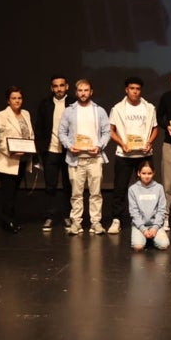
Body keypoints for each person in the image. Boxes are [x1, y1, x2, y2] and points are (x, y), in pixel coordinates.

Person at [58, 78, 112, 235]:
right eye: (80, 90)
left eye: (86, 90)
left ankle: (96, 222)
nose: (83, 93)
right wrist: (69, 146)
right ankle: (76, 222)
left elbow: (107, 132)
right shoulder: (69, 111)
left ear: (91, 92)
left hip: (94, 158)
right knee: (76, 193)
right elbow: (62, 132)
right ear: (76, 92)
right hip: (76, 159)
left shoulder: (99, 110)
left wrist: (99, 146)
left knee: (96, 193)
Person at [107, 76, 158, 235]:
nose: (135, 91)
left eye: (137, 89)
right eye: (132, 88)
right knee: (120, 188)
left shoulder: (149, 107)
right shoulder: (117, 108)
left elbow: (155, 128)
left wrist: (149, 142)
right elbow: (111, 130)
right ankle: (117, 219)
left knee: (147, 188)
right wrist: (122, 143)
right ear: (126, 90)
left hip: (144, 154)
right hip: (125, 154)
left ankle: (147, 219)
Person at [0, 86, 34, 233]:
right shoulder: (1, 115)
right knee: (7, 193)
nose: (17, 101)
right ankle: (7, 222)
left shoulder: (26, 114)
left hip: (22, 159)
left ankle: (10, 220)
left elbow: (30, 135)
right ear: (8, 101)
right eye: (14, 98)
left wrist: (29, 148)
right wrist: (12, 151)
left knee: (14, 192)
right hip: (7, 160)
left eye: (19, 98)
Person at [34, 74, 73, 232]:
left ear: (67, 87)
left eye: (61, 85)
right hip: (50, 151)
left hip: (69, 151)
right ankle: (49, 216)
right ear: (52, 88)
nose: (59, 89)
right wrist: (40, 148)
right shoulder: (45, 104)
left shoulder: (73, 104)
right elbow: (39, 127)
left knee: (68, 185)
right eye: (55, 86)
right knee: (50, 186)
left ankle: (67, 216)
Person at [128, 160, 169, 251]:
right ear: (139, 173)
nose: (146, 176)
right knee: (138, 247)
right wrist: (143, 229)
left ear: (153, 173)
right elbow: (134, 212)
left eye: (149, 173)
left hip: (155, 225)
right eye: (144, 173)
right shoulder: (133, 189)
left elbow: (161, 210)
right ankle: (145, 237)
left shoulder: (159, 188)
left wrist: (155, 228)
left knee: (164, 245)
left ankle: (151, 237)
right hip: (139, 225)